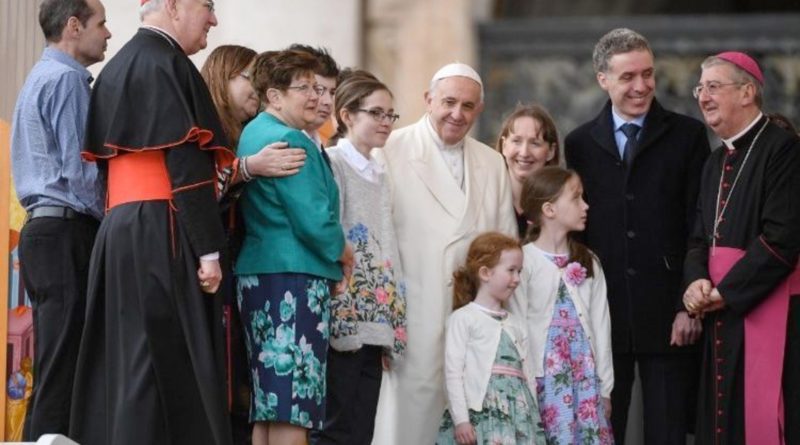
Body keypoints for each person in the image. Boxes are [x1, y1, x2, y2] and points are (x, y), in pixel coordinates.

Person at [68, 0, 234, 444]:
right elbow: (185, 163)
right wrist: (209, 250)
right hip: (166, 227)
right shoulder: (169, 64)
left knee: (127, 361)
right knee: (169, 361)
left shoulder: (116, 67)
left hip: (119, 228)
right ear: (175, 6)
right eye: (207, 6)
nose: (213, 19)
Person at [563, 28, 710, 444]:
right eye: (628, 77)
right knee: (603, 429)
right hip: (603, 314)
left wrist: (689, 306)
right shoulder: (579, 143)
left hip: (669, 312)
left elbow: (697, 224)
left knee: (666, 429)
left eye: (648, 74)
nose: (641, 86)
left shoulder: (687, 136)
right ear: (602, 79)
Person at [373, 62, 517, 445]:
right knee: (412, 418)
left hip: (473, 316)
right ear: (428, 100)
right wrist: (384, 323)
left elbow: (505, 243)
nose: (457, 114)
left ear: (479, 110)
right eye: (449, 102)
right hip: (414, 314)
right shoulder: (390, 149)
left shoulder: (492, 161)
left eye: (468, 106)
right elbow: (376, 243)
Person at [682, 51, 800, 445]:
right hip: (720, 310)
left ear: (747, 91)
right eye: (700, 88)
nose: (703, 96)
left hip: (762, 304)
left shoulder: (783, 150)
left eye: (714, 87)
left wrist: (726, 293)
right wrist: (695, 281)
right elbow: (700, 237)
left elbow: (782, 238)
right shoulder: (715, 161)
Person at [10, 0, 110, 439]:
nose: (108, 33)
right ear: (73, 26)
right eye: (102, 24)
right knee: (65, 360)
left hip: (45, 231)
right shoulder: (68, 80)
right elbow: (81, 168)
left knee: (56, 355)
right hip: (67, 228)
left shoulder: (39, 76)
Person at [235, 49, 346, 445]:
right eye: (305, 88)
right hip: (292, 277)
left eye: (320, 88)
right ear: (275, 96)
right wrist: (343, 252)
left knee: (270, 403)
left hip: (262, 274)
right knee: (293, 403)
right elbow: (315, 219)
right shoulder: (285, 137)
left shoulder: (255, 131)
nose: (317, 97)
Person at [200, 44, 309, 445]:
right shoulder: (206, 126)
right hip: (209, 268)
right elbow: (196, 192)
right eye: (248, 77)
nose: (257, 89)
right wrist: (246, 168)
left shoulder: (249, 132)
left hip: (238, 263)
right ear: (222, 76)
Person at [310, 70, 407, 445]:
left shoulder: (381, 170)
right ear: (347, 115)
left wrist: (389, 322)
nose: (386, 122)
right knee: (334, 425)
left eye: (391, 115)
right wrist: (343, 307)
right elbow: (330, 231)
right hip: (344, 314)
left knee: (362, 428)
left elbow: (387, 245)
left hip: (375, 316)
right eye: (377, 113)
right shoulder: (333, 163)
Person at [509, 166, 614, 443]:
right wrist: (525, 383)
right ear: (550, 209)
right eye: (576, 198)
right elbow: (516, 325)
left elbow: (601, 327)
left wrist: (604, 388)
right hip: (542, 381)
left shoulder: (589, 261)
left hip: (585, 380)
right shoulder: (522, 261)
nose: (585, 205)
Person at [435, 232, 545, 445]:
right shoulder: (464, 318)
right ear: (485, 273)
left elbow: (528, 373)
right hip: (483, 413)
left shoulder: (516, 323)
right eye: (511, 270)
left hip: (518, 415)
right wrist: (461, 420)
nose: (517, 279)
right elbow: (453, 372)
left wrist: (535, 417)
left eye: (519, 272)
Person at [495, 103, 560, 238]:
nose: (524, 153)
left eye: (535, 143)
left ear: (551, 151)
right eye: (516, 141)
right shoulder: (486, 199)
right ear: (504, 145)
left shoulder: (560, 207)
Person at [288, 44, 339, 158]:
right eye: (319, 89)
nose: (328, 102)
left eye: (332, 92)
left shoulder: (320, 143)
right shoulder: (283, 144)